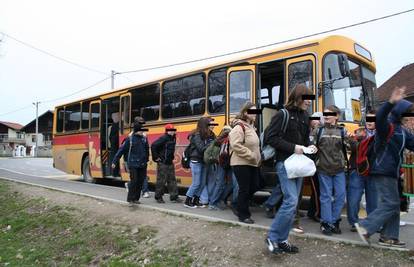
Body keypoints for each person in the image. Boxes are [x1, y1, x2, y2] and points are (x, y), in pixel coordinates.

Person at [356, 86, 414, 248]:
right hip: (382, 171)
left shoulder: (403, 132)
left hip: (393, 173)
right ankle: (365, 226)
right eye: (407, 113)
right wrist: (390, 102)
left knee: (394, 204)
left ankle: (389, 236)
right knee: (391, 203)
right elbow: (380, 116)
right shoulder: (386, 126)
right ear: (399, 112)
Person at [265, 84, 315, 254]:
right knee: (291, 201)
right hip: (285, 163)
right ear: (299, 97)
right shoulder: (282, 114)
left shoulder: (305, 116)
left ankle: (283, 240)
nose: (309, 102)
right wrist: (294, 147)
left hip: (298, 165)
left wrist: (310, 147)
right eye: (307, 98)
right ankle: (272, 236)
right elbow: (271, 138)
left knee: (292, 204)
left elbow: (305, 140)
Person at [313, 105, 353, 236]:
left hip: (339, 169)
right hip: (323, 169)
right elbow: (313, 146)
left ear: (336, 116)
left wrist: (353, 140)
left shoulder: (343, 131)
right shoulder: (318, 131)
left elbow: (350, 147)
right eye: (325, 114)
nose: (326, 116)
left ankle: (335, 222)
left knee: (340, 196)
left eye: (329, 114)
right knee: (325, 197)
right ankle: (326, 223)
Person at [229, 102, 261, 224]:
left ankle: (237, 205)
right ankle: (243, 215)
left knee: (254, 186)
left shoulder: (251, 127)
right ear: (246, 113)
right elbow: (235, 145)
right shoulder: (239, 127)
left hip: (252, 163)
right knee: (245, 188)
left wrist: (257, 158)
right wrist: (251, 155)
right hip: (240, 162)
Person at [347, 110, 378, 232]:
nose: (369, 122)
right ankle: (354, 223)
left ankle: (372, 224)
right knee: (353, 198)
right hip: (358, 170)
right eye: (368, 119)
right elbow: (354, 147)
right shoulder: (359, 132)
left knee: (373, 200)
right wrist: (353, 140)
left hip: (374, 171)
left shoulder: (382, 133)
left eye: (372, 119)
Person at [112, 117, 149, 205]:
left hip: (142, 164)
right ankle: (130, 199)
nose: (142, 132)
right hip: (133, 164)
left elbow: (147, 150)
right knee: (134, 181)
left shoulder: (144, 139)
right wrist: (114, 161)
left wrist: (147, 159)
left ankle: (136, 198)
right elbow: (121, 150)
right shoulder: (130, 139)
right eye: (140, 130)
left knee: (140, 182)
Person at [184, 117, 216, 208]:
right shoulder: (197, 135)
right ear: (205, 125)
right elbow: (201, 148)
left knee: (202, 183)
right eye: (211, 124)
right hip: (196, 161)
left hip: (204, 162)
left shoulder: (211, 135)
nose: (213, 126)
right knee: (196, 183)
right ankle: (187, 201)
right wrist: (213, 144)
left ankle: (196, 200)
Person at [151, 123, 180, 203]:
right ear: (166, 131)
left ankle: (174, 196)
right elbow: (153, 145)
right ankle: (158, 197)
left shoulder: (173, 138)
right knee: (161, 181)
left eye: (172, 130)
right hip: (163, 162)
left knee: (172, 180)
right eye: (170, 130)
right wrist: (156, 158)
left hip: (170, 162)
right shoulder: (163, 138)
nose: (172, 132)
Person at [208, 125, 232, 210]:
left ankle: (219, 200)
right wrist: (227, 132)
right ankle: (212, 203)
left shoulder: (223, 138)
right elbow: (217, 143)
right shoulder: (222, 138)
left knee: (230, 183)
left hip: (228, 163)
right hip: (222, 163)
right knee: (220, 183)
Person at [307, 112, 323, 221]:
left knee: (318, 191)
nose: (314, 121)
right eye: (313, 119)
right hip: (313, 165)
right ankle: (316, 213)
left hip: (319, 165)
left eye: (317, 119)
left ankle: (312, 212)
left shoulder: (320, 132)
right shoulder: (310, 133)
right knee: (317, 191)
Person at [109, 112, 120, 176]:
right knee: (116, 158)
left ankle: (114, 173)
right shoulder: (117, 125)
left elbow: (110, 137)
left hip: (114, 145)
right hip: (116, 145)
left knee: (114, 158)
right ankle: (115, 173)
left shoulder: (114, 125)